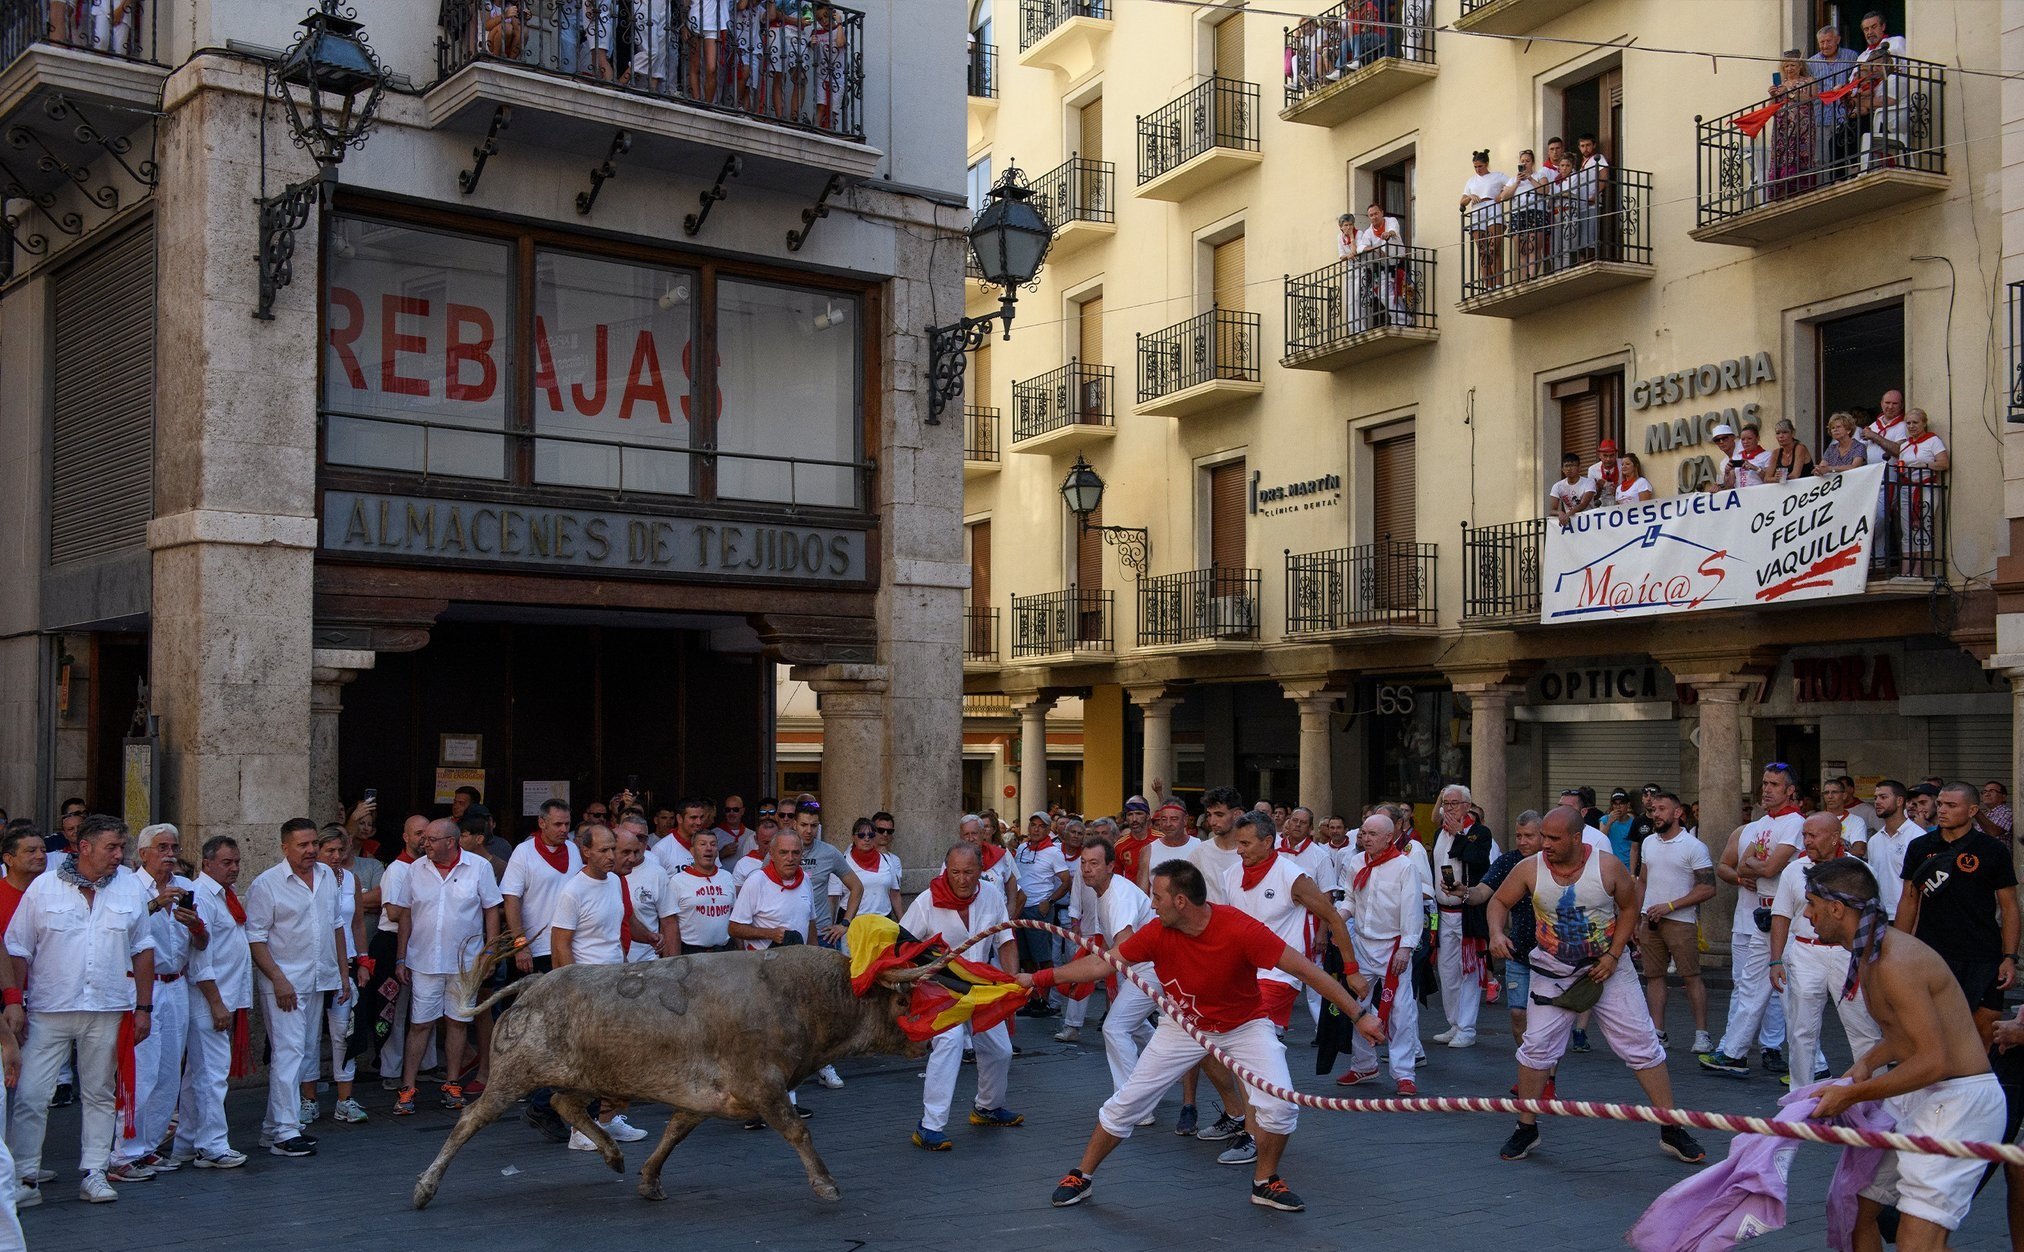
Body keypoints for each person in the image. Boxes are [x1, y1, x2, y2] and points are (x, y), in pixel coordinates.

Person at [1033, 860, 1383, 1213]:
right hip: (1182, 1026)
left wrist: (1360, 1015)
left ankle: (1265, 1182)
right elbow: (1099, 965)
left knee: (1280, 1107)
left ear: (1181, 901)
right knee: (1127, 1103)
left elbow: (1308, 971)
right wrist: (1037, 980)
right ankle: (1082, 1175)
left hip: (1245, 1026)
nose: (1151, 904)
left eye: (1157, 897)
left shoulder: (1239, 929)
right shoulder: (1156, 932)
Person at [1804, 859, 2003, 1250]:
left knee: (1917, 1240)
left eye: (1811, 904)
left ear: (1836, 908)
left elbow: (1933, 1060)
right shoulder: (1870, 951)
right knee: (1854, 1207)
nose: (1806, 914)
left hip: (1959, 1104)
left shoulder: (1894, 960)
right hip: (1923, 1096)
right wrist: (1865, 1065)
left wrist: (1851, 1095)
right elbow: (1903, 1036)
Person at [1488, 808, 1706, 1165]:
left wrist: (1614, 955)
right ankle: (1526, 1127)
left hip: (1607, 968)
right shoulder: (1530, 868)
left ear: (1577, 838)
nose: (1546, 845)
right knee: (1536, 1049)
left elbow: (1630, 907)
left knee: (1642, 1045)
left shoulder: (1606, 867)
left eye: (1554, 838)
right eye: (1543, 837)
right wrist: (1497, 932)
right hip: (1552, 969)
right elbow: (1499, 901)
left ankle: (1670, 1127)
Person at [6, 815, 154, 1205]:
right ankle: (24, 1178)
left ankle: (94, 1172)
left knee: (100, 1093)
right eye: (111, 847)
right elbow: (18, 947)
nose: (119, 855)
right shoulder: (44, 887)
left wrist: (144, 1007)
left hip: (106, 1005)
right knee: (33, 1094)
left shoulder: (129, 888)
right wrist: (14, 1002)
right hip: (48, 1007)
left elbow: (143, 949)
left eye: (122, 847)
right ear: (84, 847)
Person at [1221, 810, 1366, 1158]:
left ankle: (1256, 1135)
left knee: (1250, 1054)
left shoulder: (1292, 875)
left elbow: (1332, 916)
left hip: (1279, 976)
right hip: (1241, 976)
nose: (1238, 850)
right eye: (1236, 843)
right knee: (1218, 1053)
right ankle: (1245, 1118)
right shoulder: (1230, 875)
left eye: (1245, 843)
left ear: (1268, 842)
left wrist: (1351, 969)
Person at [903, 844, 1021, 1150]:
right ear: (946, 869)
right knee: (951, 1043)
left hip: (981, 987)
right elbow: (903, 946)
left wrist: (1014, 984)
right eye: (955, 872)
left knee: (1000, 1050)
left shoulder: (993, 896)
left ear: (981, 871)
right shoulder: (927, 901)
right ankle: (929, 1126)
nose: (962, 879)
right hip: (940, 992)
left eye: (969, 872)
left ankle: (986, 1108)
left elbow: (1005, 941)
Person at [551, 823, 660, 1149]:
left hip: (616, 986)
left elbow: (619, 929)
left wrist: (646, 942)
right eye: (605, 850)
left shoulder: (615, 882)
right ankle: (579, 1132)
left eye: (614, 849)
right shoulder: (572, 891)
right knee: (589, 1065)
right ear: (586, 851)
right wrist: (573, 994)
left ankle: (608, 1122)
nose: (612, 856)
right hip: (586, 991)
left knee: (622, 1061)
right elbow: (560, 945)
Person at [108, 824, 207, 1180]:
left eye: (174, 847)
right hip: (141, 987)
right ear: (143, 853)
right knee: (142, 1070)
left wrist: (195, 925)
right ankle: (123, 1153)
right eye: (162, 847)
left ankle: (148, 1147)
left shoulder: (188, 888)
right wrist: (154, 905)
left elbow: (202, 942)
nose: (169, 853)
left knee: (168, 1072)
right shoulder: (127, 888)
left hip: (176, 982)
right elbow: (118, 936)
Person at [246, 818, 348, 1159]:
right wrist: (277, 979)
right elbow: (256, 938)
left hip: (319, 979)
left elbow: (336, 928)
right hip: (284, 983)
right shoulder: (267, 884)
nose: (311, 850)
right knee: (288, 1054)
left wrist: (343, 977)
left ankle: (273, 1129)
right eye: (302, 844)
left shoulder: (326, 878)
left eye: (313, 843)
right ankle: (286, 1132)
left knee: (301, 1053)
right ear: (284, 847)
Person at [390, 816, 502, 1117]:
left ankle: (452, 1083)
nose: (424, 843)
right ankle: (408, 1086)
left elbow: (492, 909)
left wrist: (489, 951)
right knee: (420, 1024)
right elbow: (406, 915)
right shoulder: (416, 869)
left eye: (430, 839)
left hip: (465, 962)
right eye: (423, 838)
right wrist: (401, 958)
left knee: (457, 1022)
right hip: (424, 959)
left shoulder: (479, 867)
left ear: (450, 843)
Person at [1701, 764, 1805, 1076]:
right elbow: (1738, 867)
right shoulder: (1760, 825)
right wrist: (1754, 865)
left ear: (1790, 790)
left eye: (1774, 784)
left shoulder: (1796, 822)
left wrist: (1754, 864)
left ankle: (1812, 1066)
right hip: (1762, 914)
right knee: (1749, 986)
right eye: (1764, 783)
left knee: (1792, 990)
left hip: (1787, 914)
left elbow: (1769, 868)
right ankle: (1733, 1053)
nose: (1767, 789)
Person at [1769, 812, 1881, 1088]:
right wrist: (1775, 961)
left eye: (1813, 835)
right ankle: (1800, 1094)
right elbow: (1781, 915)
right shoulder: (1794, 870)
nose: (1806, 840)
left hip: (1848, 955)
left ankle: (1874, 1093)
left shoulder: (1858, 870)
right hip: (1805, 953)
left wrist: (1870, 959)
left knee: (1863, 1028)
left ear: (1834, 837)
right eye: (1804, 835)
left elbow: (1874, 916)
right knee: (1801, 1030)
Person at [1895, 782, 2019, 1027]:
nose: (1942, 810)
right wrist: (1898, 950)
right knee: (1938, 1024)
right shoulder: (1920, 846)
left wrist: (2010, 957)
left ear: (1972, 811)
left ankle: (1981, 1068)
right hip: (1933, 951)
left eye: (1951, 805)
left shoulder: (1993, 850)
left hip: (1983, 951)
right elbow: (1908, 901)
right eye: (1940, 804)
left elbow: (2010, 907)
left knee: (1986, 1023)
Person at [1335, 812, 1424, 1092]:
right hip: (1362, 944)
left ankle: (1404, 1073)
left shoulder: (1404, 866)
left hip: (1393, 948)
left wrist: (1407, 948)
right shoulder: (1355, 861)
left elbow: (1413, 909)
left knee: (1401, 1011)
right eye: (1363, 833)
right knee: (1357, 1008)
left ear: (1389, 838)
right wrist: (1337, 920)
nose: (1366, 838)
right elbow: (1350, 898)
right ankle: (1364, 1066)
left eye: (1373, 834)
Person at [1074, 835, 1161, 1105]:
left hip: (1150, 968)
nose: (1087, 869)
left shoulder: (1119, 896)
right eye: (1084, 863)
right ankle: (1162, 1067)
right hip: (1138, 967)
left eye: (1095, 863)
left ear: (1111, 866)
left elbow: (1124, 950)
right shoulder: (1104, 892)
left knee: (1114, 1028)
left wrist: (1082, 971)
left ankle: (1133, 1104)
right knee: (1134, 1027)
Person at [1636, 792, 1715, 1054]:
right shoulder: (1648, 842)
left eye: (1661, 809)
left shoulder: (1693, 846)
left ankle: (1702, 1034)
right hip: (1650, 920)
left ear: (1678, 812)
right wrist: (1638, 916)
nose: (1655, 814)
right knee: (1654, 977)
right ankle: (1658, 1032)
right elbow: (1643, 882)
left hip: (1681, 921)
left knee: (1691, 976)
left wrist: (1670, 906)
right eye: (1653, 809)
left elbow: (1708, 888)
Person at [301, 826, 366, 1127]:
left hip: (346, 965)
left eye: (341, 850)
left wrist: (363, 962)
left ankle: (345, 1100)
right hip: (313, 967)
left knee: (344, 1032)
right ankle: (308, 1100)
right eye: (330, 851)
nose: (337, 856)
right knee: (308, 1036)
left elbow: (356, 925)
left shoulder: (351, 879)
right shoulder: (307, 881)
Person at [1429, 784, 1492, 1050]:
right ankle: (1454, 1022)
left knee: (1469, 971)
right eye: (1446, 802)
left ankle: (1467, 1027)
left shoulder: (1480, 833)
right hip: (1443, 913)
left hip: (1468, 912)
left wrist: (1460, 836)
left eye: (1454, 803)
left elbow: (1478, 860)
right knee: (1447, 971)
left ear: (1467, 805)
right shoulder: (1438, 833)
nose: (1449, 808)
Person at [1011, 811, 1071, 999]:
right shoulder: (1022, 848)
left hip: (1038, 909)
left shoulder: (1054, 852)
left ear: (1048, 829)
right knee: (1025, 957)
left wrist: (1050, 901)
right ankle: (1034, 997)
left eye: (1041, 826)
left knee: (1043, 958)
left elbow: (1065, 881)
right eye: (1033, 825)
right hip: (1019, 908)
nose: (1036, 829)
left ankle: (1048, 999)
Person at [663, 828, 736, 953]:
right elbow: (669, 925)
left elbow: (734, 917)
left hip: (724, 951)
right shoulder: (677, 881)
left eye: (713, 844)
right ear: (692, 851)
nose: (708, 848)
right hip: (691, 952)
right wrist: (673, 959)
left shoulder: (727, 877)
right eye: (702, 844)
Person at [1894, 407, 1947, 577]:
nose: (1911, 426)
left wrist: (1924, 465)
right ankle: (1905, 570)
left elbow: (1944, 464)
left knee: (1923, 528)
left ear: (1924, 423)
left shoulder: (1933, 441)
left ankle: (1918, 570)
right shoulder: (1904, 445)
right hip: (1907, 489)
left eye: (1915, 422)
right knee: (1907, 529)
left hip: (1925, 488)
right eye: (1908, 423)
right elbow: (1902, 466)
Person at [1765, 51, 1820, 202]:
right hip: (1782, 128)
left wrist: (1789, 93)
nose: (1789, 69)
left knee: (1801, 155)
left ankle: (1801, 190)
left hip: (1802, 127)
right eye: (1786, 65)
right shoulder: (1780, 85)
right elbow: (1770, 108)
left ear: (1800, 65)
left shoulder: (1809, 80)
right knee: (1782, 156)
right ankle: (1782, 192)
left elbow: (1811, 97)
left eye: (1793, 65)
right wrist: (1772, 95)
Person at [1497, 148, 1554, 281]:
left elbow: (1545, 190)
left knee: (1533, 247)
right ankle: (1524, 279)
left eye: (1527, 161)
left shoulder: (1539, 175)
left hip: (1536, 211)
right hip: (1518, 213)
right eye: (1522, 161)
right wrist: (1517, 183)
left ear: (1533, 162)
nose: (1525, 163)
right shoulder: (1513, 180)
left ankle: (1532, 276)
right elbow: (1504, 196)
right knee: (1522, 249)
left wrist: (1530, 179)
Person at [1460, 149, 1511, 291]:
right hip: (1477, 212)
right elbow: (1462, 202)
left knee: (1494, 248)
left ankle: (1499, 283)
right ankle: (1488, 286)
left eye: (1480, 166)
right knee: (1483, 251)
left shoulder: (1497, 176)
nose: (1477, 169)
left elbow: (1511, 185)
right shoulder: (1471, 181)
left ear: (1486, 164)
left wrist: (1501, 195)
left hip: (1493, 208)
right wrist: (1470, 197)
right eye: (1475, 167)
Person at [1351, 201, 1405, 332]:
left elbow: (1393, 230)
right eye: (1371, 215)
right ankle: (1401, 320)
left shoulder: (1391, 221)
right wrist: (1375, 248)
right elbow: (1361, 248)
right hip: (1383, 268)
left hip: (1400, 264)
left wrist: (1389, 234)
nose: (1374, 217)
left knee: (1401, 296)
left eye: (1376, 213)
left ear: (1381, 213)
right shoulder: (1369, 232)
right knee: (1384, 295)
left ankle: (1403, 321)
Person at [848, 815, 904, 920]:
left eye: (870, 834)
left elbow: (895, 894)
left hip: (882, 921)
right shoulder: (844, 860)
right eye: (861, 835)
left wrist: (904, 926)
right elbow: (833, 896)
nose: (866, 838)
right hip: (854, 922)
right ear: (853, 837)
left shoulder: (888, 860)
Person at [1549, 452, 1595, 528]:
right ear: (1562, 469)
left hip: (1589, 521)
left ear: (1579, 468)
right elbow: (1552, 510)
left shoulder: (1589, 482)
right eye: (1566, 466)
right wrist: (1560, 513)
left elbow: (1583, 504)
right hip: (1571, 524)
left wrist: (1568, 514)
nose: (1569, 469)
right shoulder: (1557, 486)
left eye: (1572, 465)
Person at [1768, 418, 1814, 483]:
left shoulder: (1800, 448)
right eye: (1778, 433)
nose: (1781, 436)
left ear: (1793, 433)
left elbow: (1795, 475)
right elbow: (1766, 478)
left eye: (1785, 432)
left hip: (1807, 489)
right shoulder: (1776, 453)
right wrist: (1775, 478)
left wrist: (1781, 477)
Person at [1979, 781, 2013, 846]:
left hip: (1997, 855)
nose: (1987, 794)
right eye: (1984, 792)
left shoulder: (2006, 812)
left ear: (2004, 797)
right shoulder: (1985, 814)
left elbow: (1994, 832)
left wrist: (1977, 813)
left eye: (1992, 791)